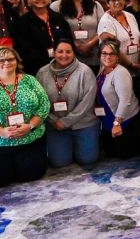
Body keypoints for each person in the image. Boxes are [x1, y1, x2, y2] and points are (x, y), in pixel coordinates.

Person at [0, 46, 50, 188]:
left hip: (29, 139)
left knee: (32, 175)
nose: (6, 63)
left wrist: (31, 125)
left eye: (10, 59)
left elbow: (44, 105)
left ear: (17, 61)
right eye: (1, 60)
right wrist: (1, 132)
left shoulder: (30, 81)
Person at [35, 38, 99, 167]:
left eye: (68, 52)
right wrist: (54, 121)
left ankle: (90, 141)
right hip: (55, 126)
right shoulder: (42, 73)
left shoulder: (85, 72)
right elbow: (39, 103)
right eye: (60, 51)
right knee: (60, 162)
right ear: (54, 52)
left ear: (74, 53)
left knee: (87, 160)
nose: (64, 55)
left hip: (83, 124)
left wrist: (66, 122)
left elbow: (87, 103)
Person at [96, 39, 140, 159]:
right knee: (109, 152)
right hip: (108, 117)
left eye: (112, 54)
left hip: (124, 118)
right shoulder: (102, 70)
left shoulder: (121, 73)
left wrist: (117, 124)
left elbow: (125, 101)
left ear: (117, 56)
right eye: (104, 53)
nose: (108, 57)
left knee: (123, 154)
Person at [16, 0, 74, 74]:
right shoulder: (23, 21)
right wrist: (45, 59)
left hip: (61, 64)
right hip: (36, 68)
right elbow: (24, 47)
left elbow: (68, 38)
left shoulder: (58, 17)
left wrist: (60, 56)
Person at [51, 0, 105, 70]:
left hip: (93, 54)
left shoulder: (95, 5)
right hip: (68, 55)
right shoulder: (57, 6)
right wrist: (74, 45)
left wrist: (89, 45)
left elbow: (104, 29)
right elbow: (55, 30)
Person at [98, 0, 140, 70]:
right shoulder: (106, 21)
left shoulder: (130, 16)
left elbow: (139, 40)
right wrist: (131, 65)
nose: (117, 2)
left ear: (124, 0)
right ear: (108, 3)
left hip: (137, 67)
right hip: (116, 69)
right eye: (113, 0)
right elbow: (113, 49)